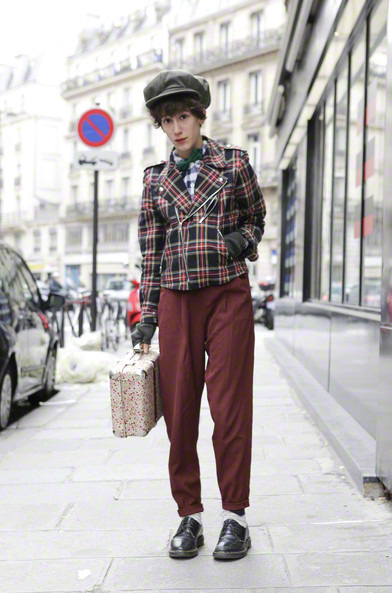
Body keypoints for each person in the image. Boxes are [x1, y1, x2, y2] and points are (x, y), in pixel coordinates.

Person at [132, 70, 266, 560]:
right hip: (176, 300)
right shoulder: (154, 180)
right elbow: (151, 255)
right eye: (167, 121)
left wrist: (241, 241)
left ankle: (235, 517)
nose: (176, 129)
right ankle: (189, 515)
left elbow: (256, 216)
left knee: (230, 408)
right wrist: (147, 317)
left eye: (183, 117)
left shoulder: (234, 164)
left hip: (228, 295)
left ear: (200, 116)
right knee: (180, 410)